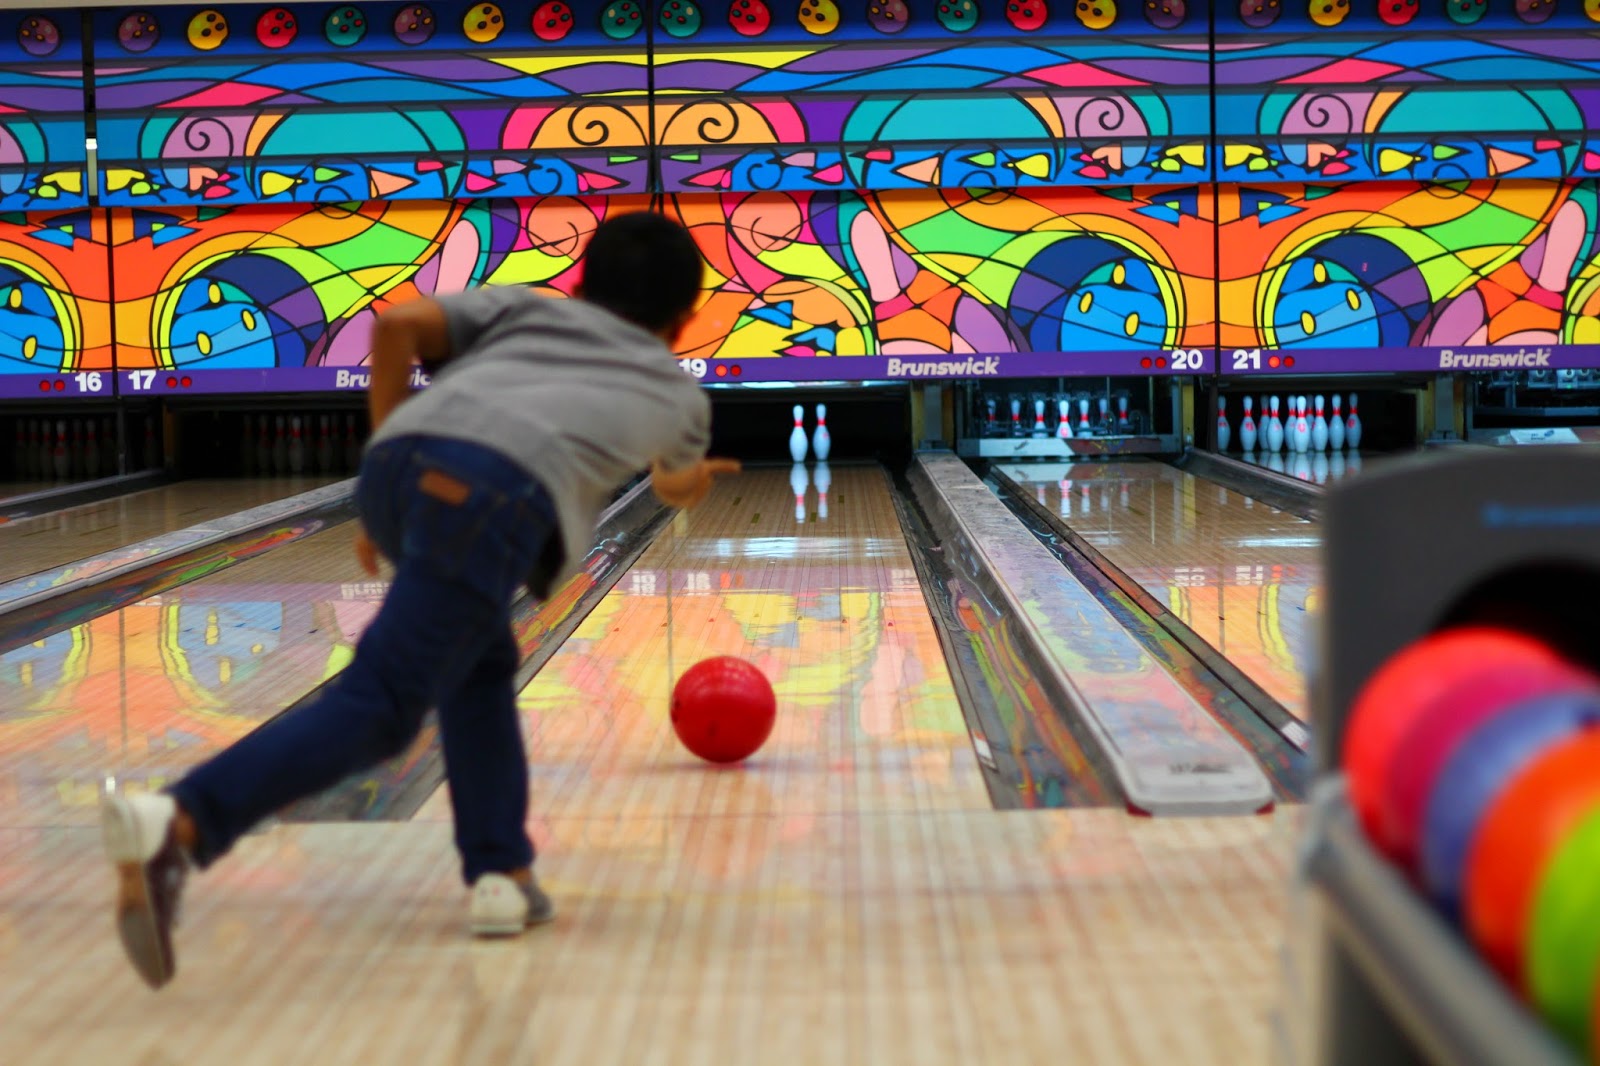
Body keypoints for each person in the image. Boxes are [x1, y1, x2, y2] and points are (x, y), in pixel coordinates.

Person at [100, 211, 739, 989]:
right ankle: (182, 820)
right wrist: (694, 480)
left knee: (479, 665)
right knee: (384, 707)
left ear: (579, 283)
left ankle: (501, 871)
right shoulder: (677, 394)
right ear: (686, 320)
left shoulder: (525, 305)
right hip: (492, 498)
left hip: (400, 463)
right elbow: (670, 484)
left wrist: (382, 480)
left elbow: (397, 324)